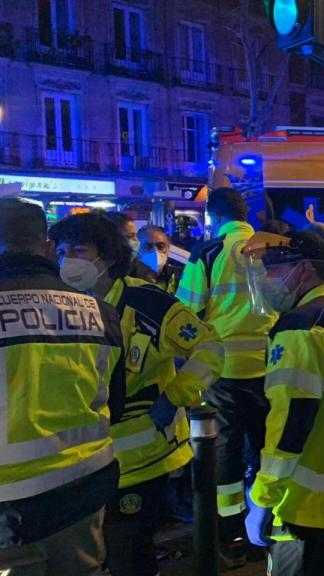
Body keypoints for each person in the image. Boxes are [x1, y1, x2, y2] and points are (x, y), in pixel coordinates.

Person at [49, 213, 224, 576]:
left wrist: (175, 395)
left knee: (129, 555)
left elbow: (209, 348)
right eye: (62, 250)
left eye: (79, 250)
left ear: (108, 256)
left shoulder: (149, 303)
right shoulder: (58, 303)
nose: (68, 260)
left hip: (140, 460)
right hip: (78, 463)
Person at [0, 199, 126, 575]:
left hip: (11, 509)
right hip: (83, 491)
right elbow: (113, 403)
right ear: (47, 247)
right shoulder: (100, 312)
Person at [241, 231, 324, 575]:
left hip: (308, 505)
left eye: (272, 270)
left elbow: (290, 421)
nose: (266, 280)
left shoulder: (300, 327)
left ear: (304, 269)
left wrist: (263, 498)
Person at [176, 187, 277, 568]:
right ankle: (271, 523)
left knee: (226, 453)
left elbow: (185, 311)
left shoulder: (208, 252)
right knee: (269, 449)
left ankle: (232, 534)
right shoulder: (272, 247)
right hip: (274, 366)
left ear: (213, 216)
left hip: (225, 372)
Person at [134, 225, 183, 294]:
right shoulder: (127, 277)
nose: (155, 251)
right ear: (137, 248)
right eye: (148, 246)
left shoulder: (180, 277)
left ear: (168, 248)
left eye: (161, 246)